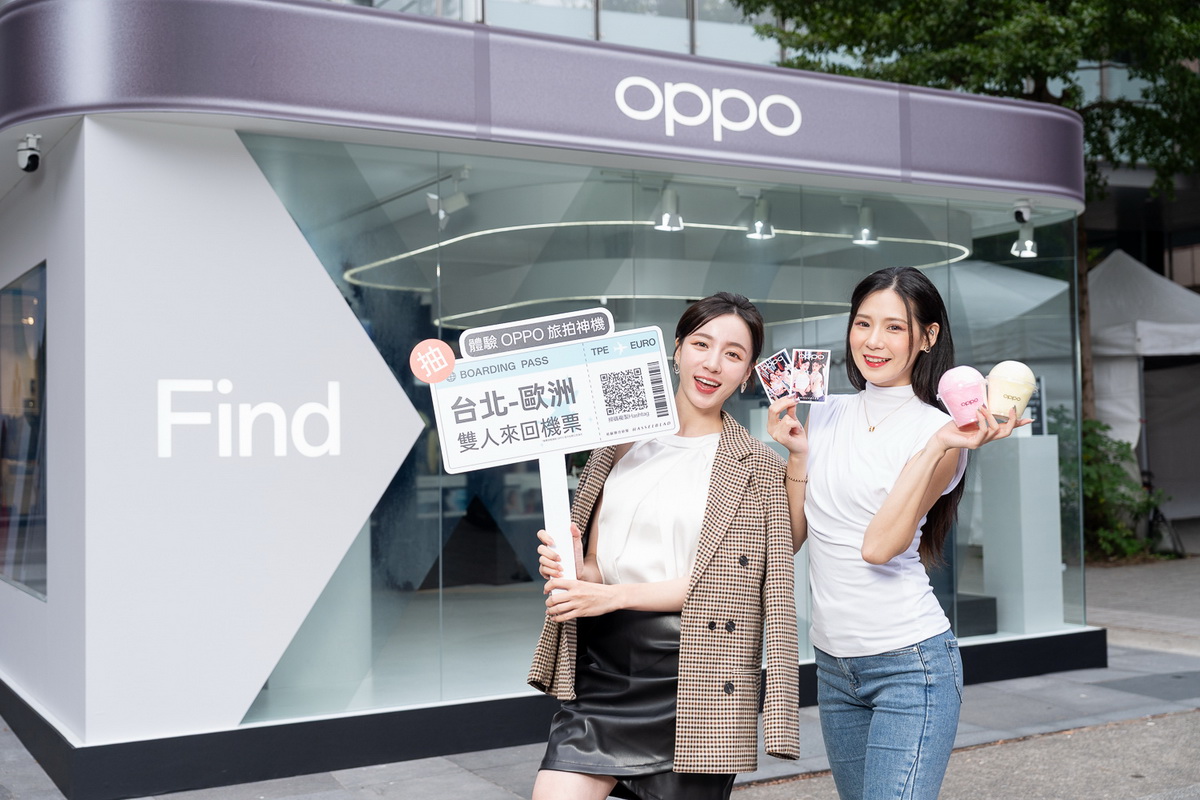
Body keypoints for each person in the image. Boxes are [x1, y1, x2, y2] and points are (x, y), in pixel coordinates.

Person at [766, 266, 1026, 800]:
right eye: (863, 324)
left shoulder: (941, 431)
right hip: (833, 665)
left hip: (910, 666)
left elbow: (879, 547)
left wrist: (937, 446)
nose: (873, 341)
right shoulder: (825, 413)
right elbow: (789, 540)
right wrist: (796, 456)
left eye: (894, 327)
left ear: (928, 336)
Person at [528, 292, 800, 800]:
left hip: (698, 672)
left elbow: (728, 586)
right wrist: (576, 572)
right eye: (701, 344)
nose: (713, 363)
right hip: (605, 670)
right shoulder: (617, 441)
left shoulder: (756, 465)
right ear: (676, 349)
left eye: (733, 354)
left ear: (747, 373)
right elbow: (598, 563)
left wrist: (609, 596)